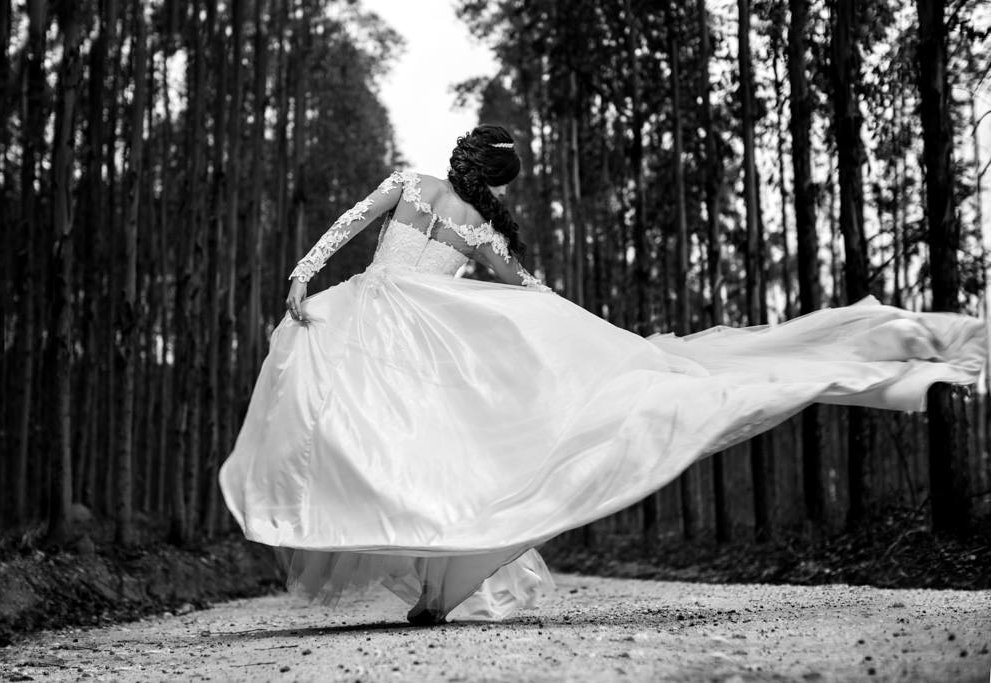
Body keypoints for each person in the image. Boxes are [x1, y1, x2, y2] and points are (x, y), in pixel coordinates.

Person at [219, 124, 986, 626]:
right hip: (395, 327)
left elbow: (377, 235)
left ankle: (423, 583)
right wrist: (305, 273)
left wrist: (303, 274)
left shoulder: (438, 204)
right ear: (494, 176)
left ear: (462, 158)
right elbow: (494, 278)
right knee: (412, 446)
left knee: (408, 445)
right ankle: (418, 577)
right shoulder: (451, 210)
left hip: (398, 328)